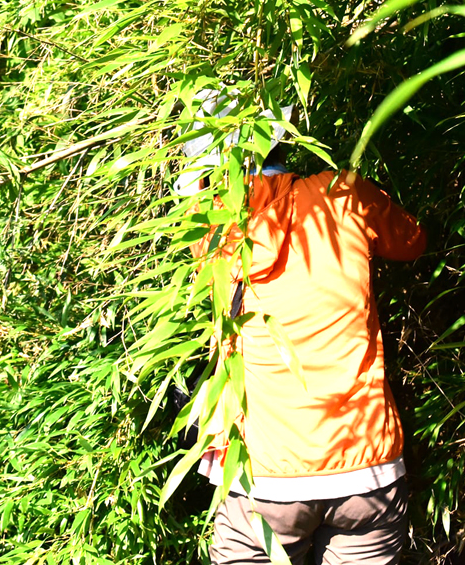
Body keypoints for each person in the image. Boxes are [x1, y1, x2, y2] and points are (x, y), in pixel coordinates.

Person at [177, 92, 426, 565]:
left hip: (263, 478)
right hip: (367, 467)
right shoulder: (344, 195)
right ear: (283, 137)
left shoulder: (211, 228)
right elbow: (413, 240)